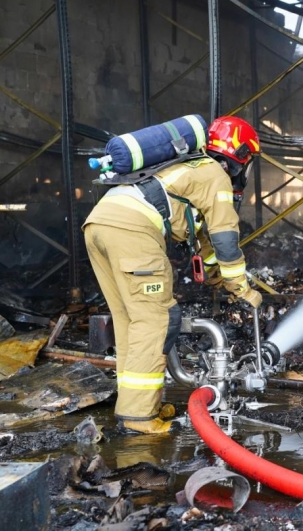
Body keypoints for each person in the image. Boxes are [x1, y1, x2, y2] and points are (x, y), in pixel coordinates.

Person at [83, 116, 263, 434]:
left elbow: (206, 244)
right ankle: (140, 420)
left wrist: (217, 278)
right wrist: (242, 288)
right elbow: (224, 239)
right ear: (239, 155)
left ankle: (134, 407)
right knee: (157, 320)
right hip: (133, 230)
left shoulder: (184, 166)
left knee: (130, 321)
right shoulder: (214, 174)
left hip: (100, 224)